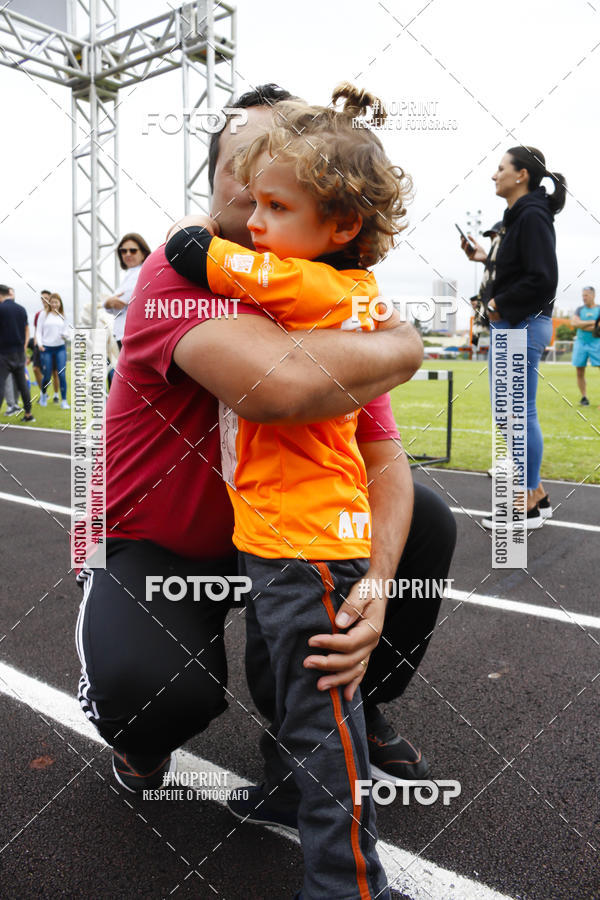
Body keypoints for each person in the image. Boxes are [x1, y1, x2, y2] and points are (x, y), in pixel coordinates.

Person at [75, 84, 455, 893]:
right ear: (215, 178)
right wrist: (403, 340)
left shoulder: (321, 286)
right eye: (239, 168)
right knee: (153, 696)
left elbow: (383, 460)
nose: (254, 189)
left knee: (423, 516)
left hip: (281, 539)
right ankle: (137, 730)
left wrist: (375, 591)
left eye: (276, 172)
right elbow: (277, 386)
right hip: (162, 541)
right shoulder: (179, 267)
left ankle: (340, 707)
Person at [165, 82, 416, 899]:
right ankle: (281, 784)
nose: (257, 221)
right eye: (252, 201)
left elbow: (195, 253)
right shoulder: (335, 292)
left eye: (275, 204)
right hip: (277, 536)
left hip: (308, 540)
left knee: (320, 719)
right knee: (273, 676)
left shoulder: (313, 287)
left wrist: (205, 233)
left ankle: (348, 882)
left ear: (341, 228)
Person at [469, 146, 566, 530]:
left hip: (521, 323)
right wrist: (486, 266)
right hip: (515, 323)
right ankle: (537, 496)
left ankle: (523, 505)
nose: (495, 175)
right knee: (513, 414)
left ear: (521, 174)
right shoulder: (523, 217)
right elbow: (519, 269)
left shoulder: (532, 216)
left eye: (500, 168)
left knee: (517, 415)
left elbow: (543, 277)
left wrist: (498, 304)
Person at [104, 233, 151, 349]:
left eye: (133, 250)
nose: (128, 254)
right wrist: (108, 303)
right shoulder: (129, 274)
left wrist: (108, 302)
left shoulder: (143, 272)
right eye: (123, 251)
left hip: (135, 335)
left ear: (144, 253)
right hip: (124, 334)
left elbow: (121, 301)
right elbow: (112, 305)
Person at [0, 284, 34, 422]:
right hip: (19, 352)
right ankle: (28, 414)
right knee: (23, 385)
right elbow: (26, 329)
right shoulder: (21, 309)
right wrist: (24, 346)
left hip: (3, 353)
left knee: (0, 385)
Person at [35, 292, 70, 409]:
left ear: (60, 303)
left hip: (60, 348)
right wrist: (40, 344)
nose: (54, 304)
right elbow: (38, 331)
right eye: (52, 302)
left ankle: (64, 401)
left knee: (61, 373)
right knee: (47, 374)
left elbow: (68, 333)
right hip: (47, 348)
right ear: (49, 303)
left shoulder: (63, 316)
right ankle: (43, 395)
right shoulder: (43, 314)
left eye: (56, 302)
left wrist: (66, 335)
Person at [571, 285, 600, 405]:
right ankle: (584, 398)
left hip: (596, 343)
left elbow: (598, 327)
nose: (584, 298)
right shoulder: (579, 309)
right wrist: (592, 322)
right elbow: (574, 323)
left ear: (593, 295)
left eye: (586, 295)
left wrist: (582, 324)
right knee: (579, 371)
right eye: (583, 295)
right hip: (580, 343)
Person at [32, 291, 61, 400]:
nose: (44, 300)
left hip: (52, 346)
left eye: (46, 298)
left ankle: (56, 395)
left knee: (55, 372)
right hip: (39, 345)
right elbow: (37, 330)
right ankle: (43, 393)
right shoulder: (38, 314)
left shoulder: (56, 314)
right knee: (35, 369)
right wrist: (36, 343)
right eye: (42, 298)